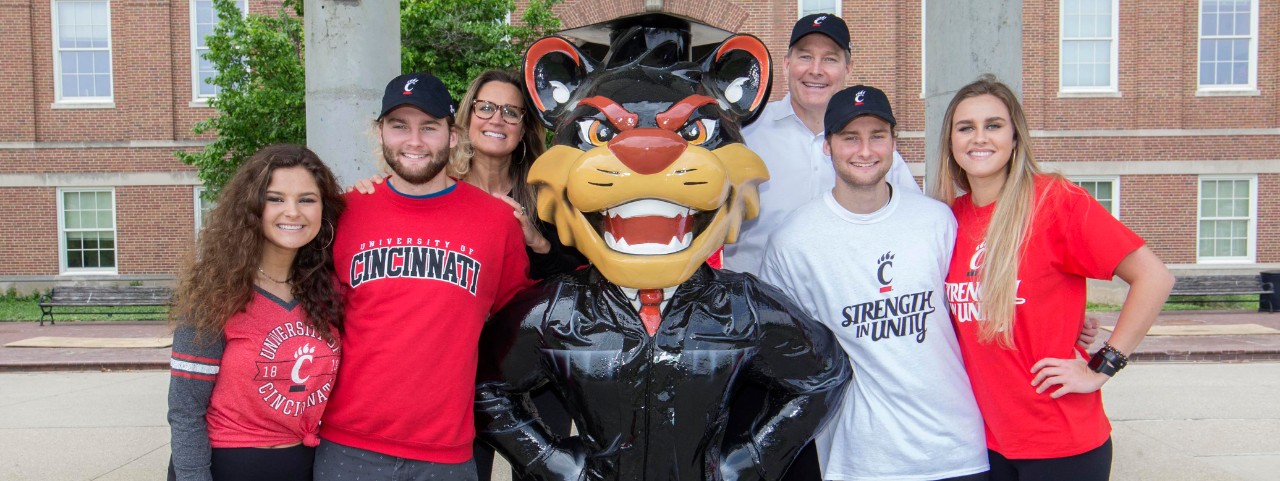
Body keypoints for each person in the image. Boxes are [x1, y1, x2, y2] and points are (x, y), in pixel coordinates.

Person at [933, 75, 1174, 481]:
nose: (980, 138)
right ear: (952, 142)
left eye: (993, 125)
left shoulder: (1054, 201)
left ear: (1014, 138)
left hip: (1061, 443)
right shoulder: (948, 219)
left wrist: (1101, 365)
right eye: (965, 127)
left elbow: (1154, 277)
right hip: (984, 444)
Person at [761, 85, 988, 481]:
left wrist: (1065, 327)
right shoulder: (793, 241)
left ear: (893, 144)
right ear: (827, 147)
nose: (865, 150)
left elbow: (978, 308)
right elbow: (779, 355)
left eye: (877, 136)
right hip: (859, 461)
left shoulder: (937, 221)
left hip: (955, 452)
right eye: (850, 138)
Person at [314, 72, 532, 481]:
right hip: (349, 446)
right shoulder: (344, 213)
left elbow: (518, 326)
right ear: (381, 133)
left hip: (446, 453)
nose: (414, 141)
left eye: (428, 128)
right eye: (399, 126)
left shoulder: (496, 222)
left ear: (453, 136)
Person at [167, 144, 346, 481]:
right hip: (225, 466)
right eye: (275, 198)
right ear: (251, 207)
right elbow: (185, 411)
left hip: (304, 464)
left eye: (307, 199)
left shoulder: (330, 292)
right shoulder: (216, 292)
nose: (292, 212)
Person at [449, 69, 584, 481]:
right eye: (486, 107)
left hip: (535, 369)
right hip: (458, 368)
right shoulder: (439, 190)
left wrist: (536, 241)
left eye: (511, 112)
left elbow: (579, 281)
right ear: (467, 117)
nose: (497, 119)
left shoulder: (546, 195)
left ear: (525, 127)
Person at [723, 13, 921, 276]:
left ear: (847, 69)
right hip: (757, 305)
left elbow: (913, 221)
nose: (816, 70)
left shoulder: (871, 153)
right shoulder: (745, 134)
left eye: (829, 59)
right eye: (805, 56)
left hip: (846, 308)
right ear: (786, 63)